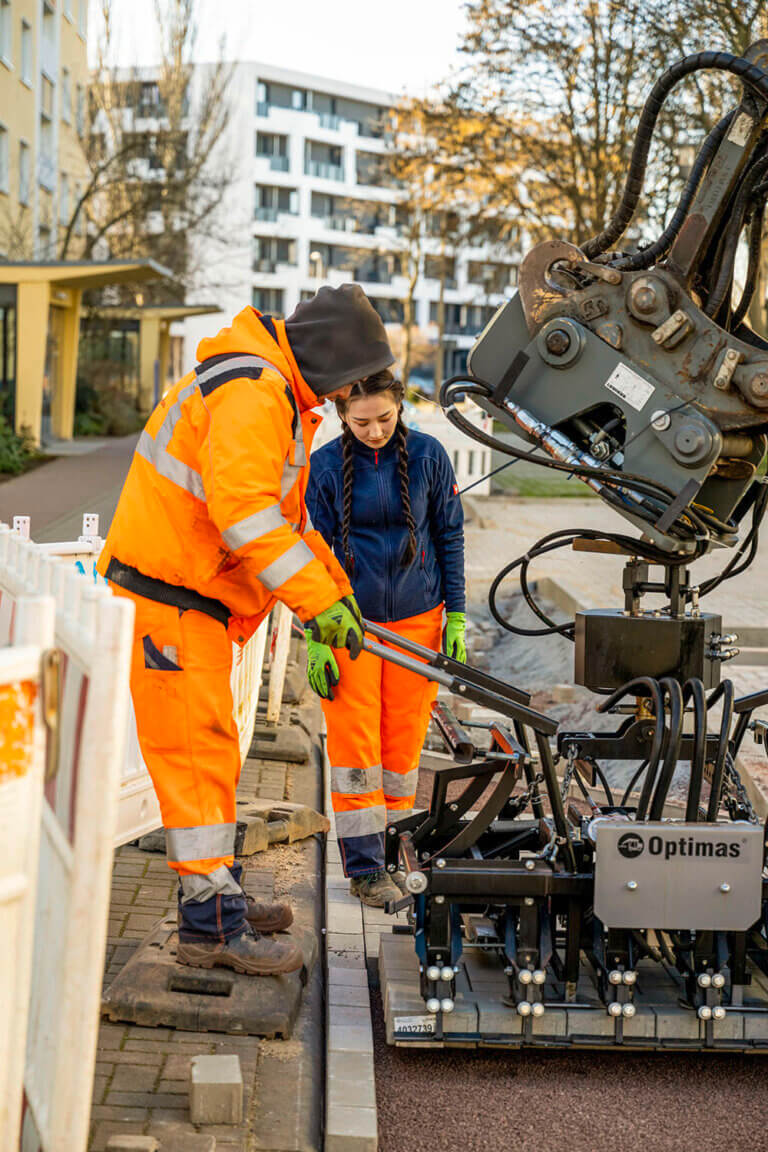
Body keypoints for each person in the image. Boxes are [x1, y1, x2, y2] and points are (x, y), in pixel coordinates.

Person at [98, 285, 394, 973]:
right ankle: (212, 929)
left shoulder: (272, 388)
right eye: (353, 377)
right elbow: (247, 519)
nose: (353, 391)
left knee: (213, 755)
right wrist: (319, 604)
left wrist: (336, 595)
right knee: (197, 760)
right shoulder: (256, 392)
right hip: (172, 599)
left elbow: (286, 523)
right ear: (329, 357)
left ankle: (218, 896)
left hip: (187, 595)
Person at [305, 370, 466, 906]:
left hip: (420, 623)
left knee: (400, 752)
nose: (374, 431)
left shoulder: (429, 457)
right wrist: (316, 635)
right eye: (360, 421)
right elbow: (313, 556)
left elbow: (449, 534)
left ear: (401, 407)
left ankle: (401, 855)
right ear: (341, 416)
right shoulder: (324, 467)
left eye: (384, 419)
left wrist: (458, 618)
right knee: (356, 751)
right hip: (350, 627)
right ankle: (366, 871)